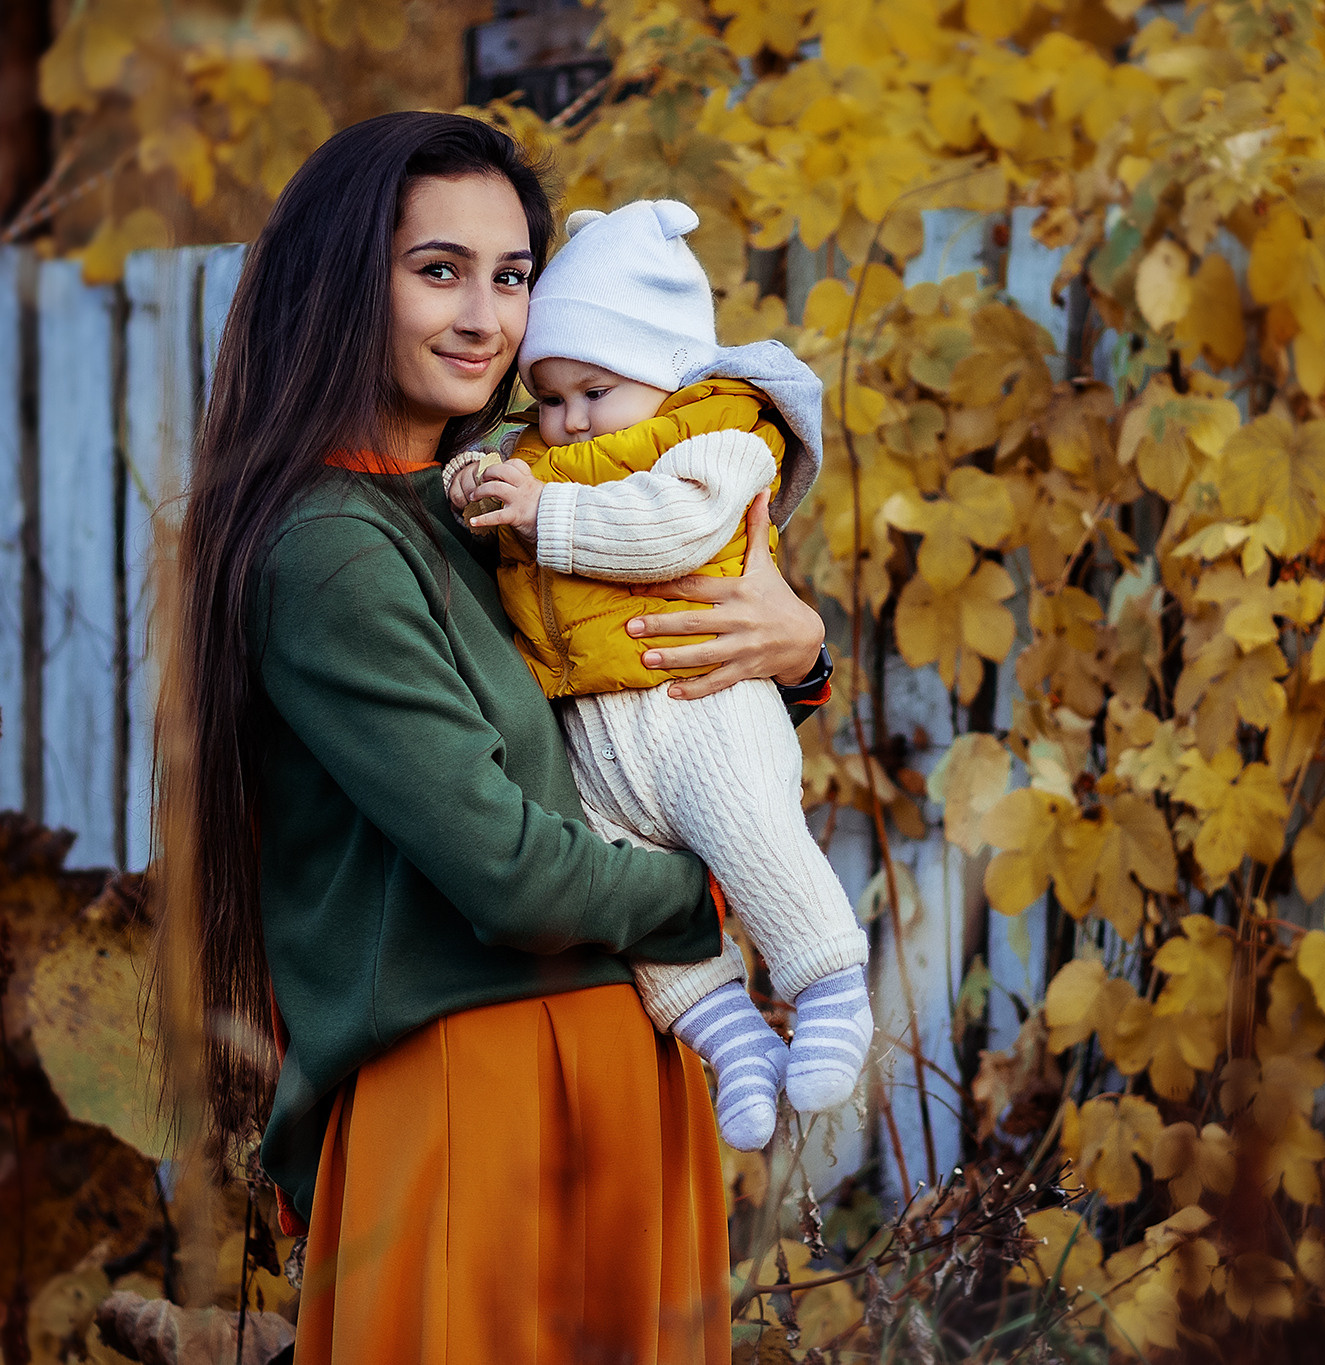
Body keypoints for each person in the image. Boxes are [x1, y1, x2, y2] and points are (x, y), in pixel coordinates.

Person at [161, 111, 830, 1363]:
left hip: (624, 1068)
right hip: (476, 1090)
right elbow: (510, 873)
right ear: (341, 281)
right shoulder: (330, 547)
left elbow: (631, 709)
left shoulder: (503, 511)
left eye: (511, 276)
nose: (484, 316)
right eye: (438, 270)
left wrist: (797, 653)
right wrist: (728, 889)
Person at [445, 199, 872, 1152]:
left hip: (701, 712)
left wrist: (543, 513)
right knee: (633, 900)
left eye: (593, 390)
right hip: (596, 739)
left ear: (663, 369)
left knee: (751, 833)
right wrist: (476, 485)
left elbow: (667, 527)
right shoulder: (540, 458)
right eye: (548, 397)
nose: (566, 419)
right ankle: (732, 1041)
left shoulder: (711, 436)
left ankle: (831, 986)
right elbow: (486, 496)